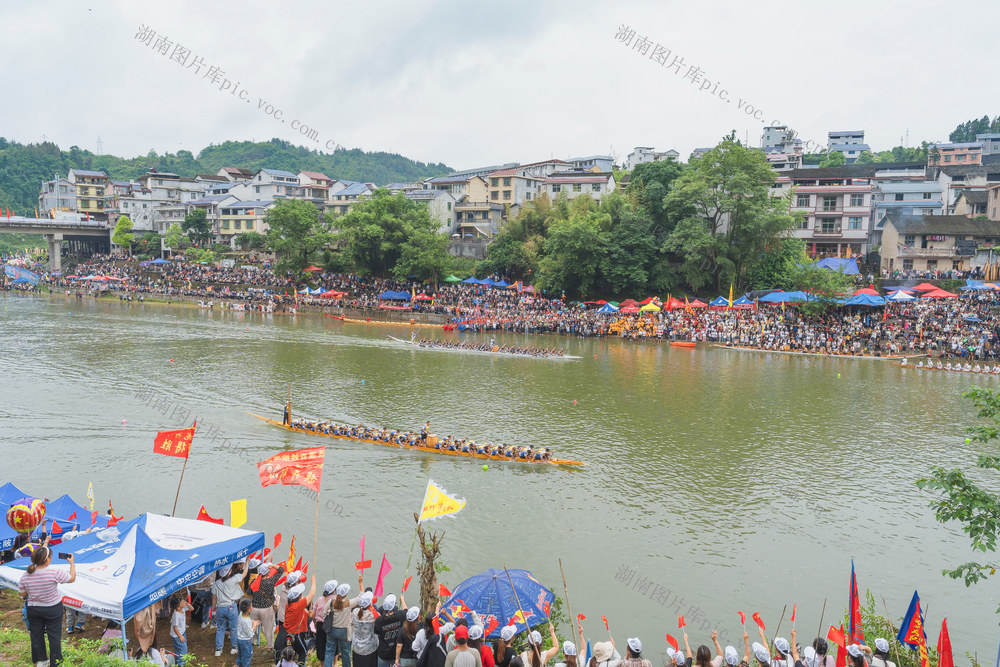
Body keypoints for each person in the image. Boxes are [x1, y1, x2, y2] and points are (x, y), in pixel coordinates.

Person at [19, 546, 74, 667]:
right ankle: (56, 662)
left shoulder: (26, 575)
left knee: (36, 635)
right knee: (54, 635)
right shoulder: (54, 572)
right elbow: (71, 579)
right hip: (53, 608)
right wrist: (72, 564)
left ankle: (41, 661)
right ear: (48, 560)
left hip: (34, 609)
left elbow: (22, 593)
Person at [324, 580, 361, 667]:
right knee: (345, 652)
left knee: (329, 651)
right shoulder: (349, 603)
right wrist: (360, 582)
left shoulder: (331, 602)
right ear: (346, 594)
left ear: (337, 592)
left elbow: (324, 614)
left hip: (331, 630)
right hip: (344, 631)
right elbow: (360, 596)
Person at [248, 560, 284, 649]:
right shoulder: (270, 582)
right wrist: (274, 566)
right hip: (267, 609)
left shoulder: (254, 581)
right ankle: (270, 647)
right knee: (268, 629)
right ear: (267, 573)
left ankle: (253, 643)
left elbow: (249, 592)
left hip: (255, 609)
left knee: (253, 627)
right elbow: (281, 570)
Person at [212, 563, 244, 657]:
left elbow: (214, 598)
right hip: (231, 607)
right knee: (234, 629)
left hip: (220, 609)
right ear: (229, 572)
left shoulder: (216, 584)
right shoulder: (232, 580)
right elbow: (244, 574)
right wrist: (246, 564)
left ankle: (218, 650)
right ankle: (234, 648)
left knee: (220, 629)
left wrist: (213, 608)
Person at [285, 577, 318, 665]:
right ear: (299, 596)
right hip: (297, 635)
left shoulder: (289, 604)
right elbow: (312, 594)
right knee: (303, 652)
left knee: (291, 653)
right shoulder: (298, 605)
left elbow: (300, 611)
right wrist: (313, 582)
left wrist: (307, 614)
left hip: (288, 634)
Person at [375, 593, 407, 667]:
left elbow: (376, 632)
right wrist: (402, 599)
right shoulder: (400, 616)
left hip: (383, 653)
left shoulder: (379, 620)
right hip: (396, 653)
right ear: (394, 607)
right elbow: (406, 611)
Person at [314, 580, 339, 665]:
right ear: (334, 590)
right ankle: (334, 663)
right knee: (333, 643)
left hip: (320, 625)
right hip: (332, 624)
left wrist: (315, 622)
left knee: (321, 645)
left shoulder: (319, 599)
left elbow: (314, 613)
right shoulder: (336, 599)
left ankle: (322, 665)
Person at [353, 591, 380, 667]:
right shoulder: (372, 616)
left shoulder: (355, 612)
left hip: (357, 647)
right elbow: (379, 619)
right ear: (370, 604)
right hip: (370, 648)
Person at [236, 597, 259, 667]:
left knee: (240, 655)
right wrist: (254, 625)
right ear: (249, 610)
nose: (252, 606)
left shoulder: (241, 614)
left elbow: (246, 621)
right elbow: (250, 634)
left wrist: (252, 621)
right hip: (246, 641)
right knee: (247, 657)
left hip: (239, 639)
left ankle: (237, 664)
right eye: (251, 605)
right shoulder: (246, 621)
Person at [169, 593, 191, 666]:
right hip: (177, 635)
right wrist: (180, 636)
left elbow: (192, 609)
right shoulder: (176, 615)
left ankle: (180, 661)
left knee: (180, 648)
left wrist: (188, 604)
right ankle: (181, 664)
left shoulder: (183, 608)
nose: (184, 601)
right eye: (182, 602)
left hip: (182, 632)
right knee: (183, 649)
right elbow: (175, 627)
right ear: (178, 607)